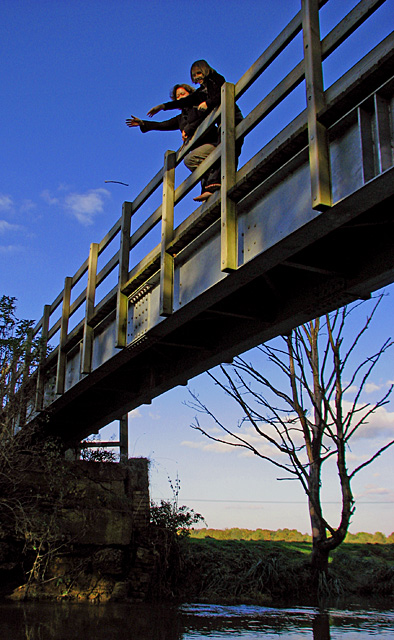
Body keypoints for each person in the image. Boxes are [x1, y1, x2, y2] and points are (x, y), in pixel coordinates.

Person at [147, 60, 244, 201]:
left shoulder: (215, 79)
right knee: (215, 155)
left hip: (231, 118)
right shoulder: (200, 93)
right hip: (221, 125)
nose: (197, 77)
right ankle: (211, 188)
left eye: (199, 73)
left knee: (228, 149)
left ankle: (220, 183)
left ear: (205, 70)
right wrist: (162, 106)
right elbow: (182, 103)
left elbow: (222, 93)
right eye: (194, 75)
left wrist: (207, 103)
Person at [126, 84, 218, 199]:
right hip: (200, 152)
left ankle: (215, 183)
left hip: (212, 143)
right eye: (177, 96)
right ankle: (209, 193)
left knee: (190, 160)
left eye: (183, 94)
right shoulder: (181, 118)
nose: (180, 98)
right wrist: (143, 123)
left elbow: (201, 117)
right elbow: (163, 124)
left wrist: (188, 130)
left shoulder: (199, 106)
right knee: (202, 170)